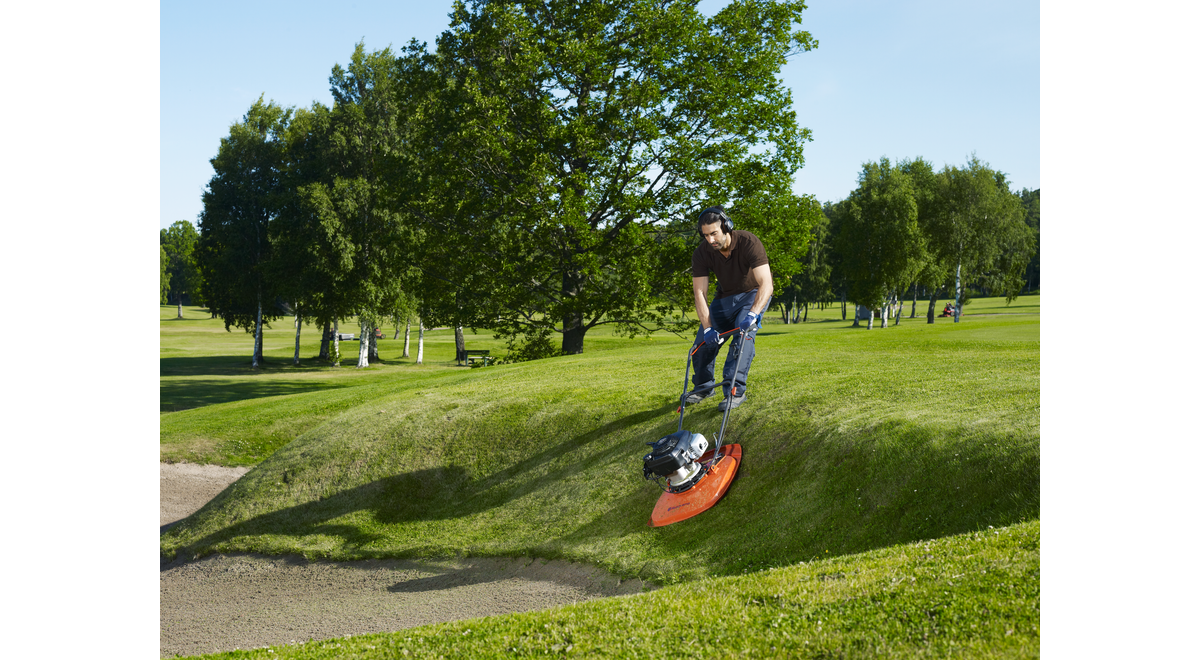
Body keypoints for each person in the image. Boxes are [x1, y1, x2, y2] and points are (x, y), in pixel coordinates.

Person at [686, 206, 773, 411]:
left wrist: (752, 315)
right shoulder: (702, 253)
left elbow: (767, 285)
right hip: (724, 298)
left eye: (714, 233)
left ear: (727, 227)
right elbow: (700, 293)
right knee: (701, 345)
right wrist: (708, 328)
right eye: (705, 235)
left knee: (743, 337)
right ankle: (704, 387)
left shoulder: (748, 242)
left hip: (753, 294)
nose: (710, 240)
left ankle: (734, 391)